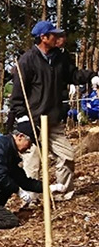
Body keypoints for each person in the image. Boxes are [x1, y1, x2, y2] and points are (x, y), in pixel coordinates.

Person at [9, 21, 96, 201]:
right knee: (32, 163)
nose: (59, 38)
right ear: (43, 38)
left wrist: (92, 77)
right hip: (32, 121)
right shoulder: (26, 61)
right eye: (54, 35)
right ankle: (31, 200)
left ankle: (63, 193)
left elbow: (73, 75)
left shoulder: (60, 58)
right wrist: (22, 117)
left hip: (53, 119)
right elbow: (18, 94)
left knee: (67, 156)